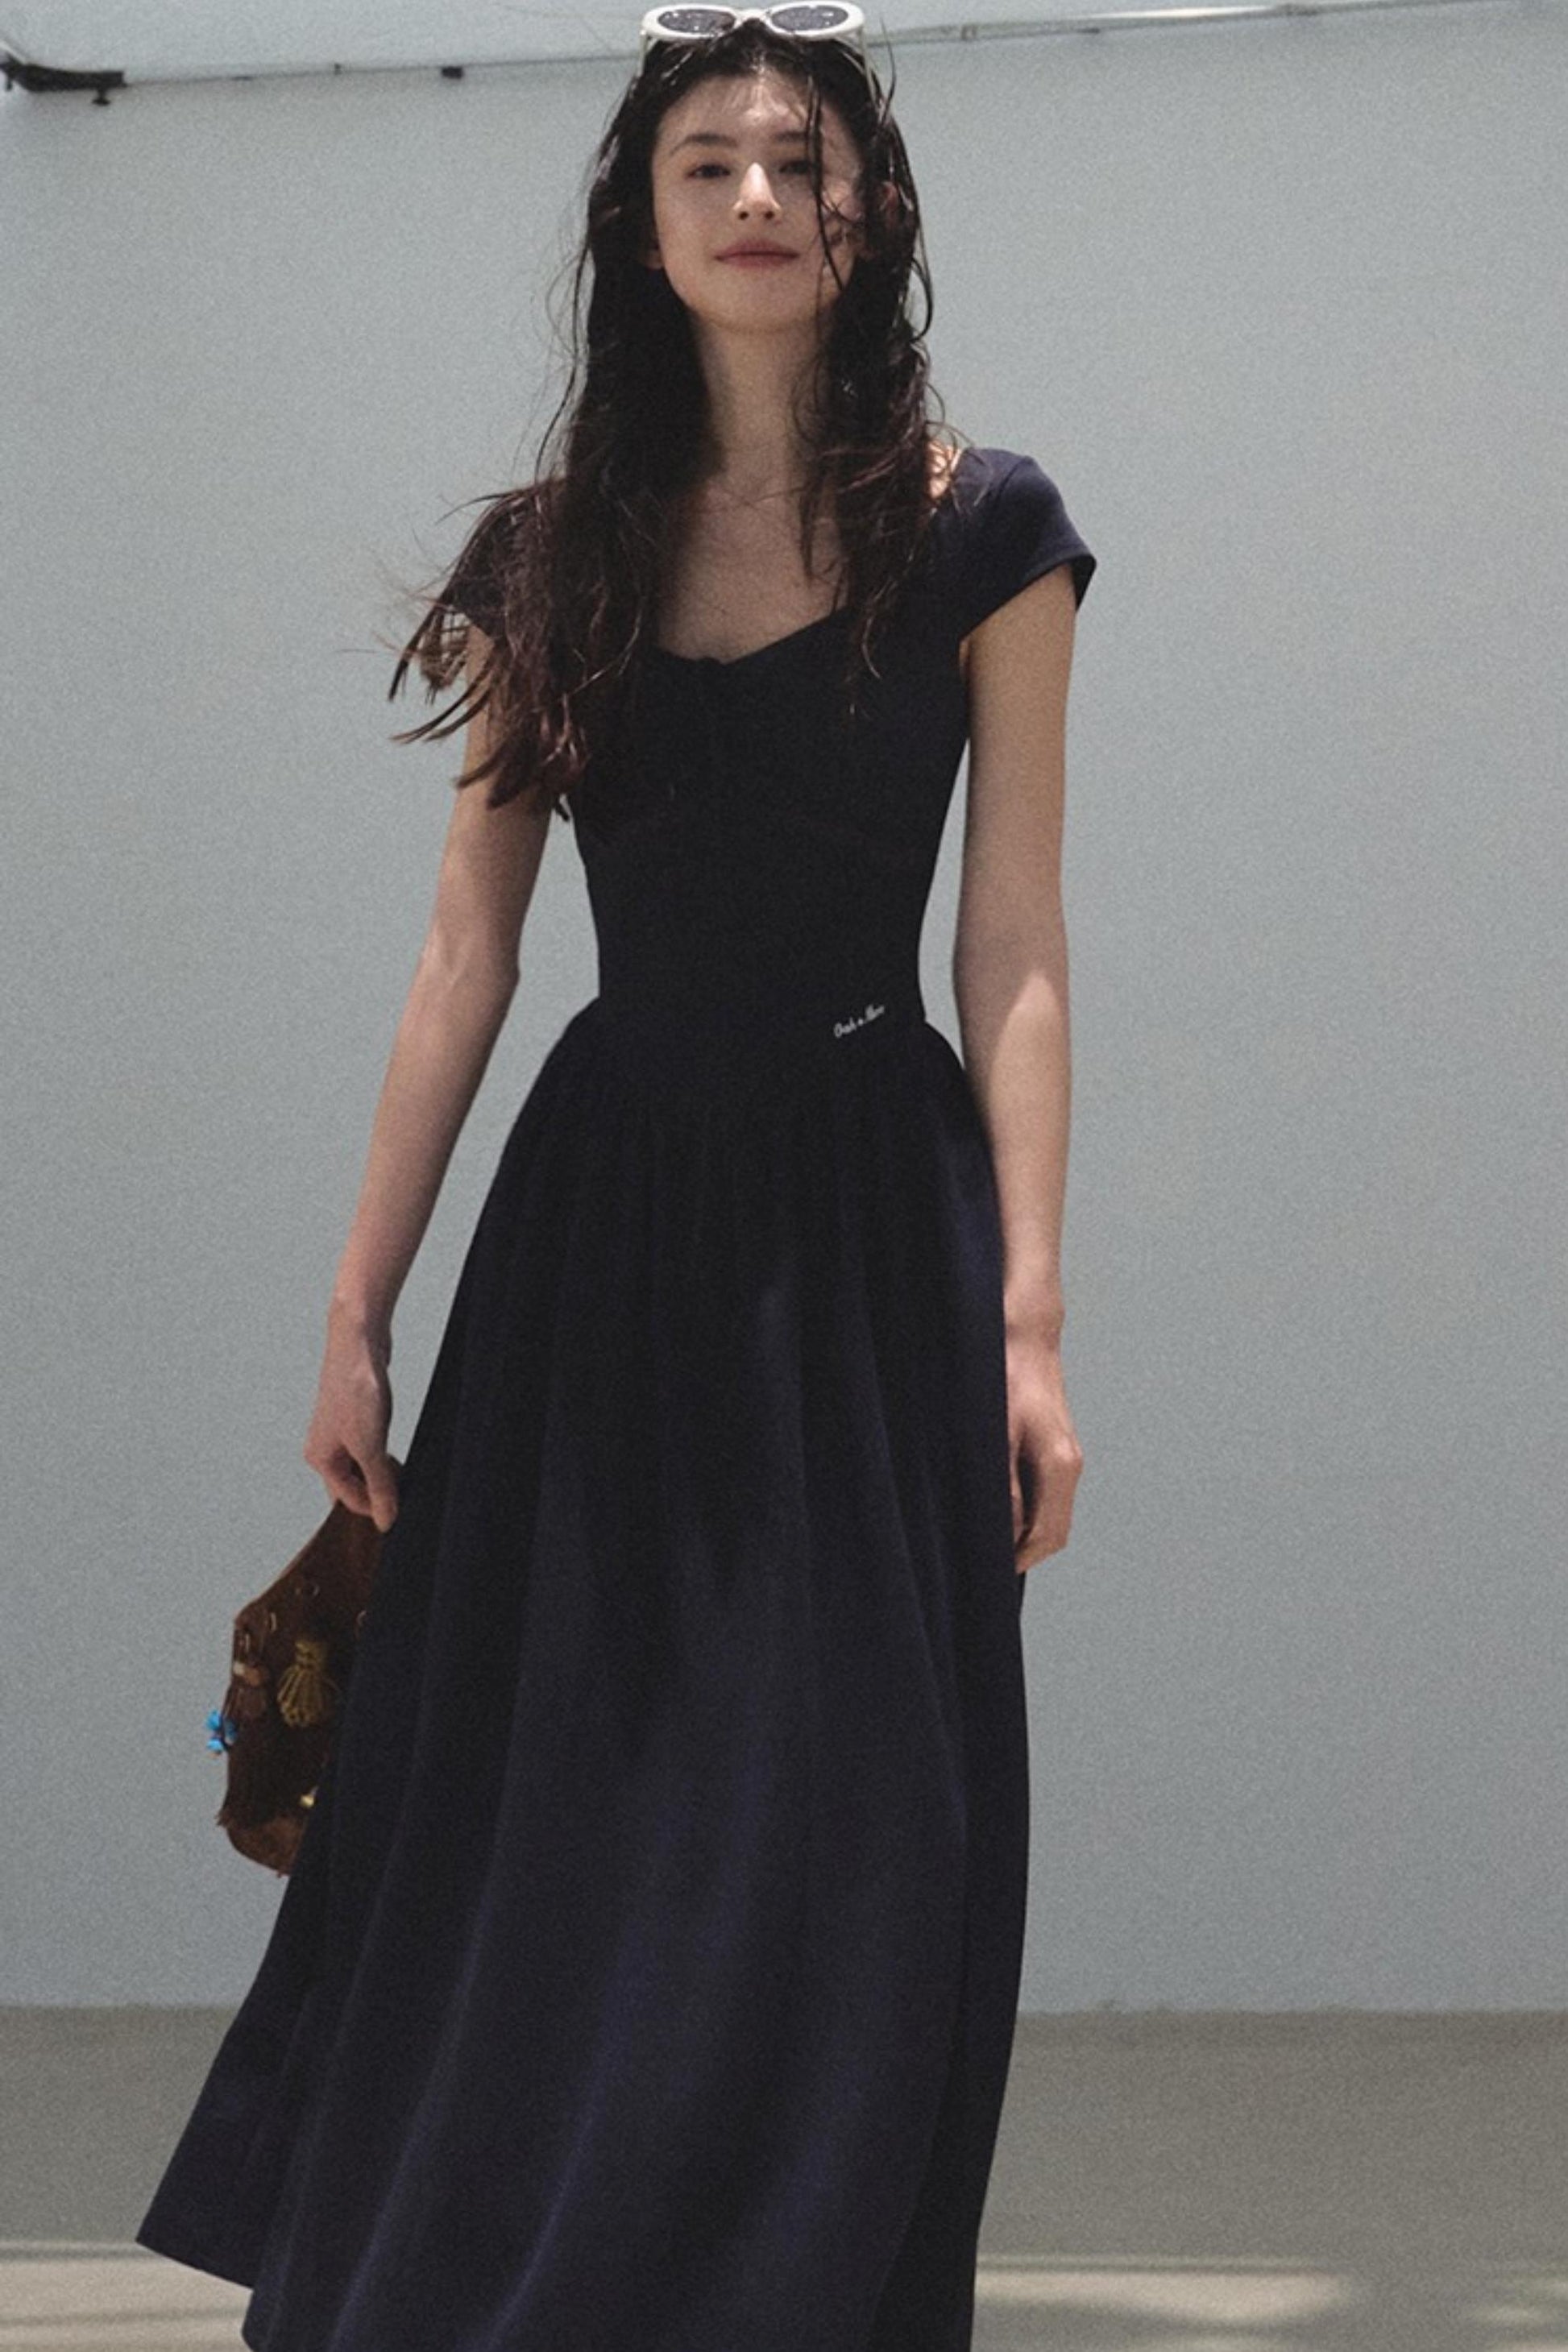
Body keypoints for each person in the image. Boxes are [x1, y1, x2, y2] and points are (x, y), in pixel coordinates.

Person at [135, 7, 1097, 2346]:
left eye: (800, 162)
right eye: (708, 165)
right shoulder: (554, 556)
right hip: (605, 1230)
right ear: (640, 227)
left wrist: (1032, 1320)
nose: (759, 197)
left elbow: (1013, 938)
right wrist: (357, 1306)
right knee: (562, 1792)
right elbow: (466, 953)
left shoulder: (985, 529)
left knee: (866, 1815)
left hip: (872, 1222)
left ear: (867, 213)